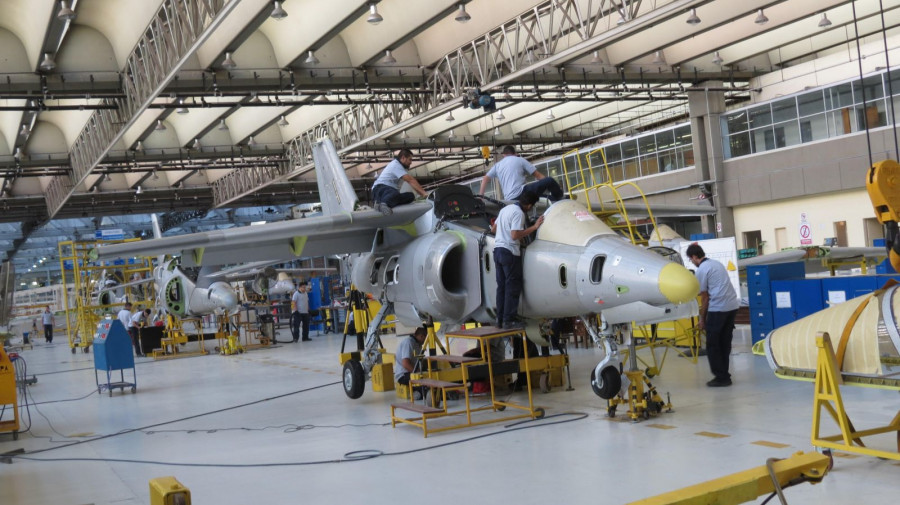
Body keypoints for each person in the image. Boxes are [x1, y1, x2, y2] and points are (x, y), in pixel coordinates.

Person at [686, 243, 740, 387]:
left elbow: (705, 297)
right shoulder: (716, 264)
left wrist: (702, 319)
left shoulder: (702, 269)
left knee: (713, 344)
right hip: (732, 306)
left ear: (694, 257)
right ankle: (725, 374)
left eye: (691, 260)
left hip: (718, 309)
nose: (692, 262)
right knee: (724, 342)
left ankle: (721, 377)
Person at [491, 190, 543, 330]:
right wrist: (534, 227)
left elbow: (494, 229)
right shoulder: (519, 213)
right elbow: (514, 235)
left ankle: (499, 319)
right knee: (512, 286)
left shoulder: (505, 209)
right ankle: (509, 320)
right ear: (529, 205)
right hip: (509, 252)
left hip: (498, 251)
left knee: (501, 287)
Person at [479, 145, 564, 202]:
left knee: (547, 199)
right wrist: (552, 187)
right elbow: (538, 176)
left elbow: (485, 179)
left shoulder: (497, 165)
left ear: (504, 155)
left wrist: (481, 197)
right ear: (515, 154)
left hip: (510, 199)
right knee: (549, 180)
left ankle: (556, 200)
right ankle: (560, 197)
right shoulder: (519, 159)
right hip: (522, 193)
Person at [372, 149, 428, 215]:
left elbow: (412, 183)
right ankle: (383, 204)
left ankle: (381, 204)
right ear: (403, 158)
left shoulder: (402, 168)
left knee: (410, 196)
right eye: (410, 159)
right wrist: (424, 194)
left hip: (389, 193)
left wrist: (422, 195)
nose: (411, 162)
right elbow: (410, 180)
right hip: (380, 189)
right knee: (394, 192)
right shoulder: (396, 165)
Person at [393, 327, 428, 399]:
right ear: (421, 336)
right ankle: (418, 392)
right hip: (404, 375)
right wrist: (418, 373)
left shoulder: (417, 344)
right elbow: (406, 364)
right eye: (426, 338)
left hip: (411, 372)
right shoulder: (408, 343)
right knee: (427, 385)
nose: (426, 341)